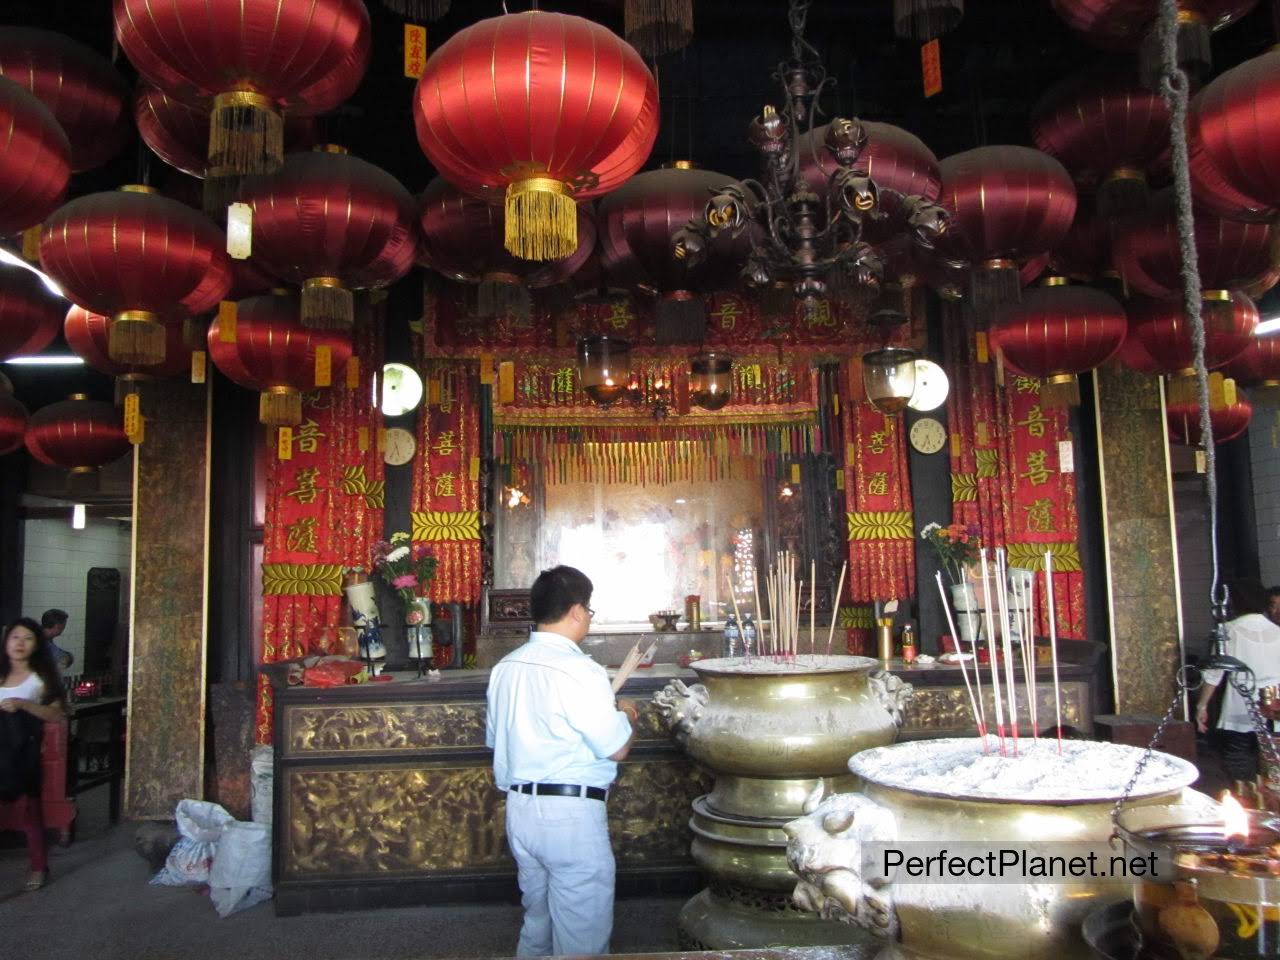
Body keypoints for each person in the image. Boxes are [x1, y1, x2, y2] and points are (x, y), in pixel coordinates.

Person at [486, 566, 638, 956]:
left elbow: (495, 739)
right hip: (569, 818)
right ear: (575, 610)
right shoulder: (579, 669)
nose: (588, 617)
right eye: (589, 609)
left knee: (537, 926)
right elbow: (617, 748)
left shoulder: (504, 669)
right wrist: (627, 715)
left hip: (520, 811)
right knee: (581, 939)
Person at [0, 617, 67, 891]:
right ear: (6, 641)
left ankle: (39, 866)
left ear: (36, 645)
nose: (20, 643)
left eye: (27, 638)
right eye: (16, 637)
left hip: (22, 751)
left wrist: (24, 705)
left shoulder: (41, 680)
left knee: (30, 813)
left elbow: (57, 713)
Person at [1196, 580, 1280, 782]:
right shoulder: (1276, 630)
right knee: (1273, 757)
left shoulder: (1228, 630)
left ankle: (1245, 795)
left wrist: (1202, 706)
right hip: (1275, 703)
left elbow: (1215, 672)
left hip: (1241, 702)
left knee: (1238, 754)